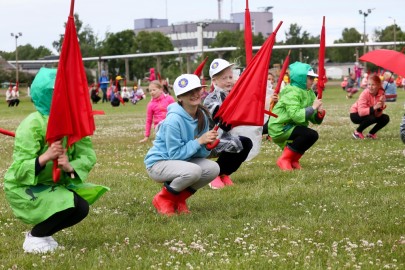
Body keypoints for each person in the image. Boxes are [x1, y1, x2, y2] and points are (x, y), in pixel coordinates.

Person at [3, 68, 109, 253]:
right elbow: (19, 170)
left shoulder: (73, 122)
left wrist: (69, 167)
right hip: (25, 186)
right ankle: (35, 236)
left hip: (55, 184)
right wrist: (45, 157)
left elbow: (87, 155)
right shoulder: (32, 125)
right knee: (71, 203)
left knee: (80, 207)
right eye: (56, 92)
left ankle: (44, 234)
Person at [144, 74, 220, 215]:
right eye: (188, 92)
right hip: (158, 163)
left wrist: (207, 145)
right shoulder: (173, 120)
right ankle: (163, 199)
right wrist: (199, 141)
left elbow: (200, 154)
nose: (194, 94)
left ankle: (178, 199)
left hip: (181, 161)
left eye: (197, 89)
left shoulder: (202, 115)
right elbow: (174, 154)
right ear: (179, 97)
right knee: (193, 171)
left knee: (213, 169)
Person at [203, 58, 253, 189]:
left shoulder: (233, 95)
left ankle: (224, 173)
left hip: (224, 138)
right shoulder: (211, 99)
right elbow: (223, 122)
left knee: (246, 143)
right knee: (237, 143)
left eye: (230, 77)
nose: (229, 81)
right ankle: (214, 174)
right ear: (214, 81)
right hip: (210, 141)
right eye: (224, 78)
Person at [268, 62, 325, 171]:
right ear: (301, 78)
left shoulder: (309, 92)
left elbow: (313, 119)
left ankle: (293, 160)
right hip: (280, 127)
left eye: (313, 78)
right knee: (308, 134)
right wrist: (312, 107)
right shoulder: (292, 92)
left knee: (313, 135)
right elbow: (296, 116)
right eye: (310, 78)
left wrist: (319, 113)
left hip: (292, 126)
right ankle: (284, 159)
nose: (313, 81)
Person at [350, 74, 390, 139]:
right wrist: (374, 107)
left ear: (378, 85)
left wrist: (380, 107)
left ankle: (371, 134)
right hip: (355, 114)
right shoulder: (364, 93)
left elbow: (377, 115)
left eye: (373, 85)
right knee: (371, 117)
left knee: (385, 118)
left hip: (370, 113)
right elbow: (361, 112)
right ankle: (357, 132)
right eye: (369, 84)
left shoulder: (381, 94)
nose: (370, 87)